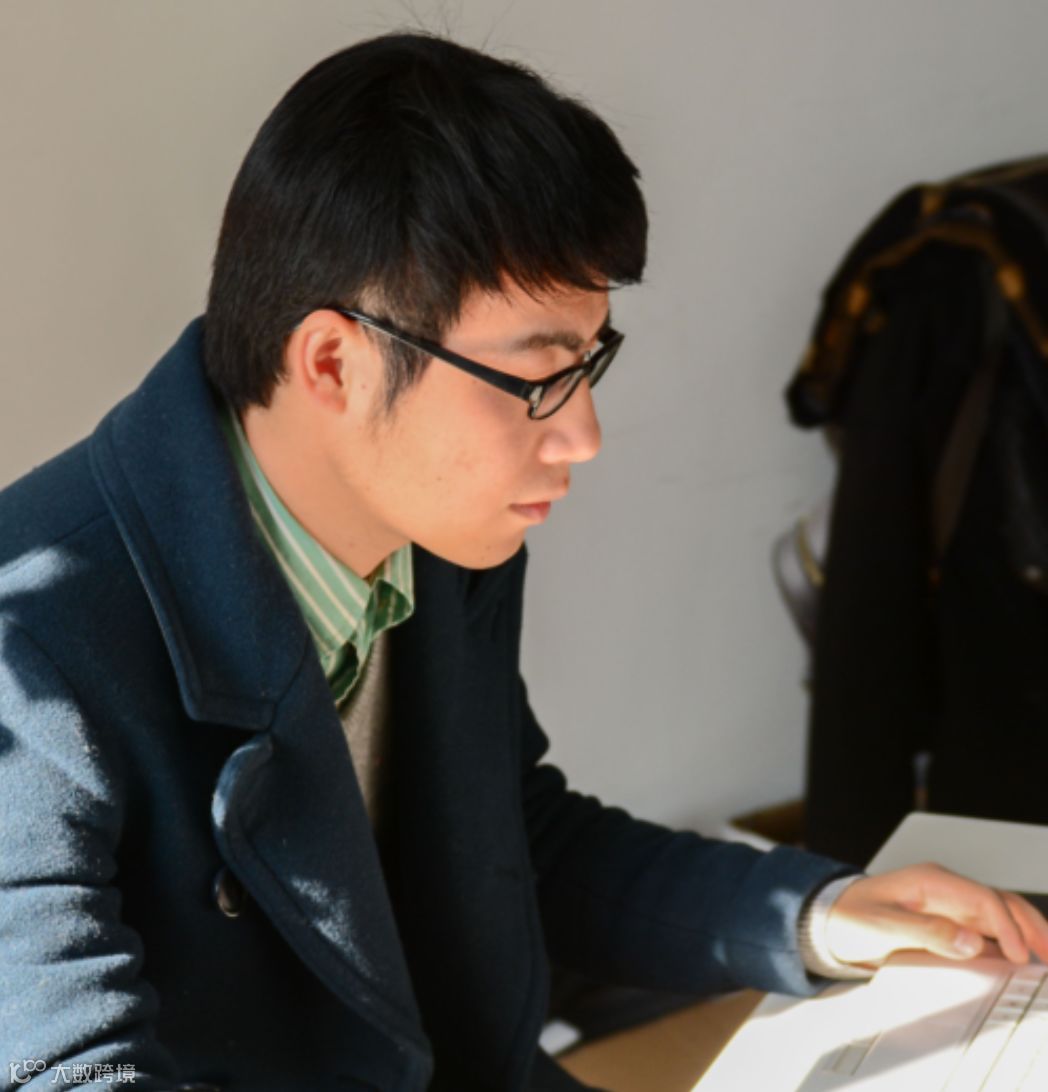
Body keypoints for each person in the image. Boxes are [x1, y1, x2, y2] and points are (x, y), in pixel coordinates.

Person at [1, 32, 1046, 1092]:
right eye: (538, 378)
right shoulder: (33, 649)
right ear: (334, 363)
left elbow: (505, 842)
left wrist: (815, 915)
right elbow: (70, 1068)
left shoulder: (436, 527)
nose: (582, 435)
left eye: (589, 362)